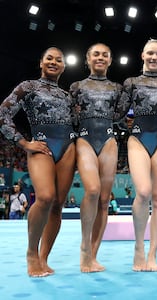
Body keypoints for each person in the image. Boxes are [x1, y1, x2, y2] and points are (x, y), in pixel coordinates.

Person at [0, 47, 76, 277]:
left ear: (63, 66)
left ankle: (44, 258)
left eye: (58, 60)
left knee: (57, 206)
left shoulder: (67, 96)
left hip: (68, 148)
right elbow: (2, 114)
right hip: (40, 145)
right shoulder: (28, 87)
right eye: (49, 58)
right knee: (44, 197)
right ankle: (32, 253)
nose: (54, 62)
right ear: (41, 62)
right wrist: (23, 143)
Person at [115, 38, 157, 271]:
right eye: (150, 53)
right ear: (142, 55)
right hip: (138, 139)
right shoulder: (131, 82)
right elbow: (119, 113)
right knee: (143, 192)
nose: (154, 57)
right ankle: (138, 248)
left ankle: (153, 254)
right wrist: (126, 125)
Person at [69, 43, 122, 273]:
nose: (100, 58)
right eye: (96, 54)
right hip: (84, 139)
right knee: (92, 190)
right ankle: (84, 247)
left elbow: (123, 114)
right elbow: (69, 116)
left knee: (103, 200)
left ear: (110, 60)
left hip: (109, 141)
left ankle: (93, 253)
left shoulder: (117, 88)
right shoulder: (77, 86)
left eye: (105, 55)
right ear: (87, 59)